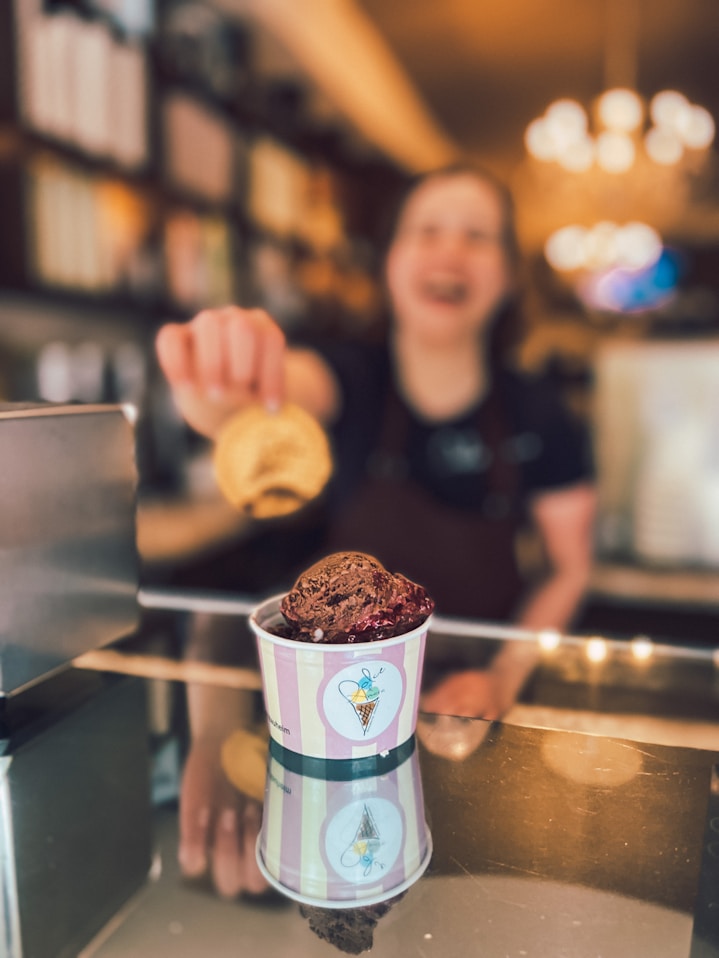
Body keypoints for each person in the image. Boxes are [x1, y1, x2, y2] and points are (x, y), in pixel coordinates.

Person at [156, 164, 597, 720]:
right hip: (340, 691)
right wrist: (219, 374)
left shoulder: (540, 410)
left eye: (477, 236)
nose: (450, 252)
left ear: (509, 274)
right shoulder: (350, 377)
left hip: (478, 699)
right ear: (389, 262)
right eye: (427, 231)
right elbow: (266, 396)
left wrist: (501, 679)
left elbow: (570, 567)